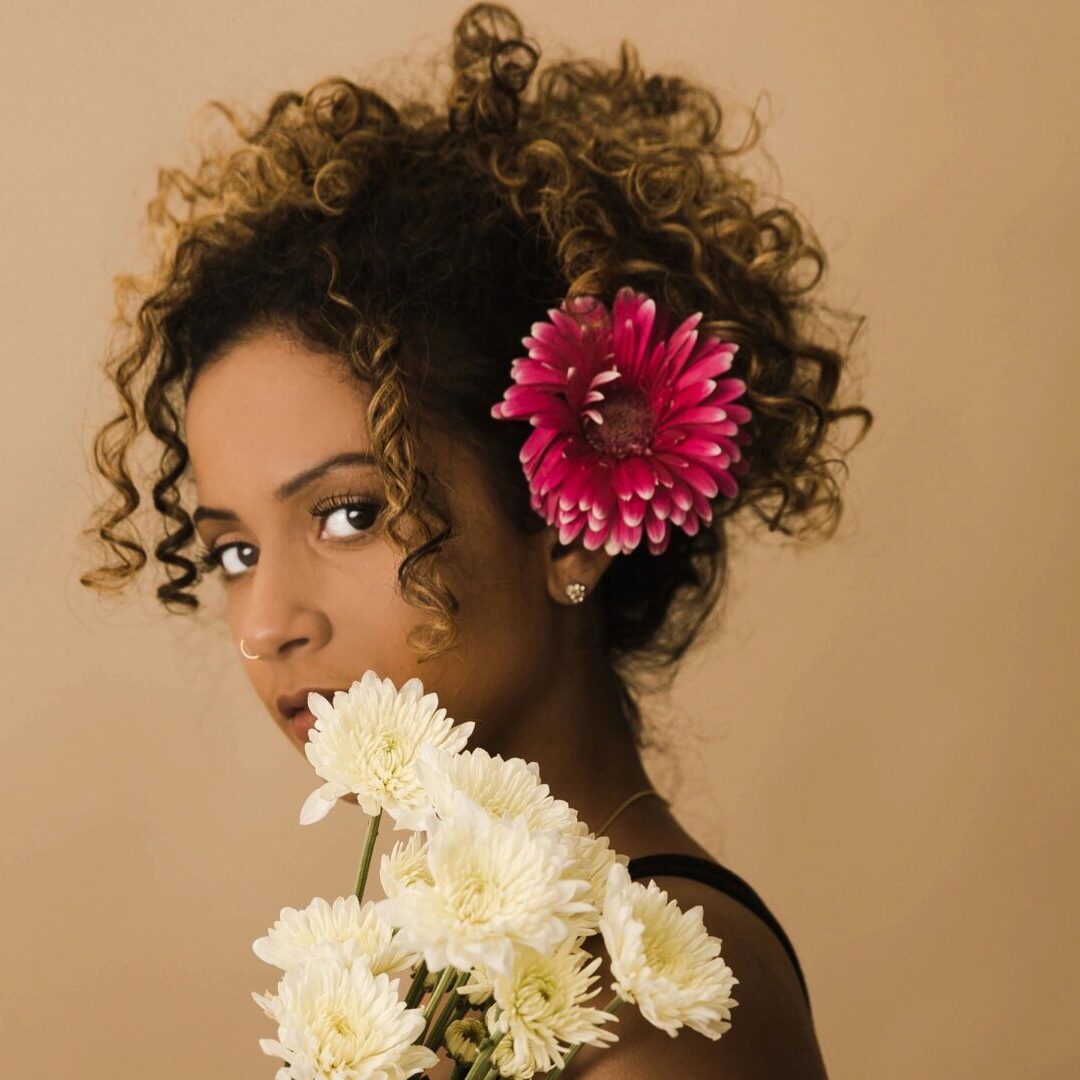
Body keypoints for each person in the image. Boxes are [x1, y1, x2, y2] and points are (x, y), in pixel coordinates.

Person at [79, 4, 872, 1076]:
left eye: (350, 513)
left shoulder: (658, 1017)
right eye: (234, 551)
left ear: (569, 529)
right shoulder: (460, 985)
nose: (266, 624)